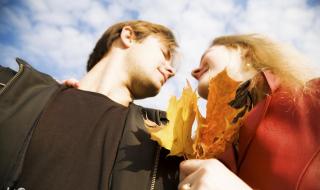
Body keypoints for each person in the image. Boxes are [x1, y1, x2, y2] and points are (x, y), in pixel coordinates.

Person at [0, 20, 183, 190]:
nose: (172, 70)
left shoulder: (166, 147)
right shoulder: (9, 86)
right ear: (128, 36)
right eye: (164, 54)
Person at [179, 34, 320, 190]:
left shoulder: (315, 99)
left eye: (207, 54)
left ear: (244, 52)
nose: (194, 71)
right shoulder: (197, 153)